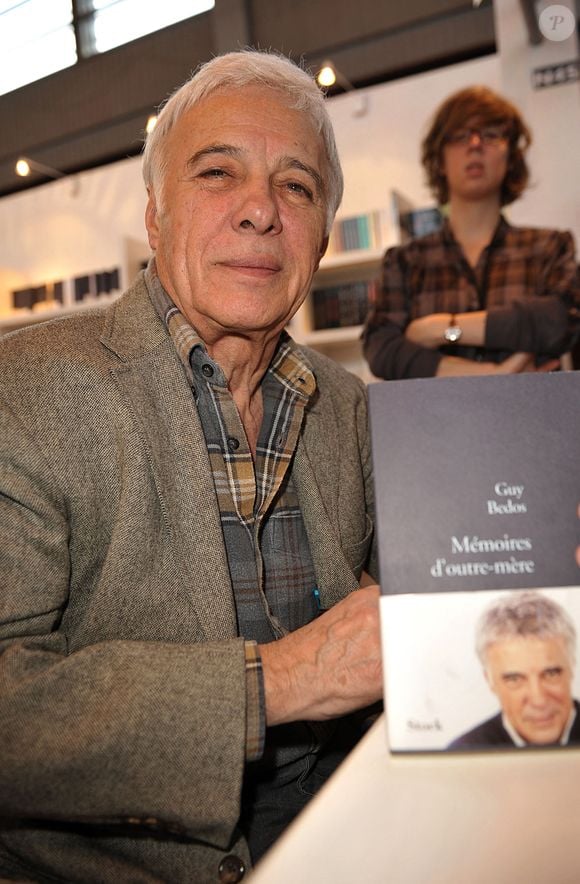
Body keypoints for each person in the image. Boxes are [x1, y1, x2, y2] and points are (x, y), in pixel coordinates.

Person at [0, 50, 383, 883]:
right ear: (155, 215)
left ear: (321, 238)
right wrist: (285, 680)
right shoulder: (24, 391)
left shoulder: (347, 404)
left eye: (297, 187)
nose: (261, 211)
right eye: (217, 173)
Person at [363, 85, 580, 380]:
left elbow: (562, 320)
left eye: (490, 134)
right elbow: (381, 348)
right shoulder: (405, 262)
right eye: (460, 135)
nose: (475, 144)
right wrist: (494, 373)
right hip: (438, 411)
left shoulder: (549, 248)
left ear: (510, 156)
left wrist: (441, 328)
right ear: (439, 159)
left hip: (534, 410)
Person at [449, 591, 580, 750]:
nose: (539, 701)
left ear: (572, 667)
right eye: (515, 679)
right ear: (489, 681)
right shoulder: (463, 753)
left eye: (551, 674)